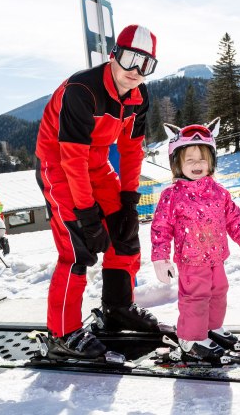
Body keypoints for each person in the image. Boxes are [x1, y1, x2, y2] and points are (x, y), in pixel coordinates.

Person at [34, 24, 162, 359]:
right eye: (131, 59)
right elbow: (71, 156)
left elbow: (133, 149)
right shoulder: (83, 89)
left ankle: (117, 309)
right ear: (113, 55)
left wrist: (129, 201)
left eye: (146, 64)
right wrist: (87, 214)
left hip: (97, 165)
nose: (136, 71)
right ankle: (61, 334)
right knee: (78, 249)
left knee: (125, 234)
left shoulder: (139, 96)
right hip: (59, 166)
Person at [151, 119, 240, 363]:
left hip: (216, 258)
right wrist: (160, 258)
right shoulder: (172, 196)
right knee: (196, 298)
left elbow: (234, 220)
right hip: (191, 261)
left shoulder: (219, 192)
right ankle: (191, 339)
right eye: (189, 159)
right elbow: (161, 228)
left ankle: (211, 329)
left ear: (211, 161)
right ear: (177, 164)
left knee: (219, 293)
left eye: (202, 158)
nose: (197, 164)